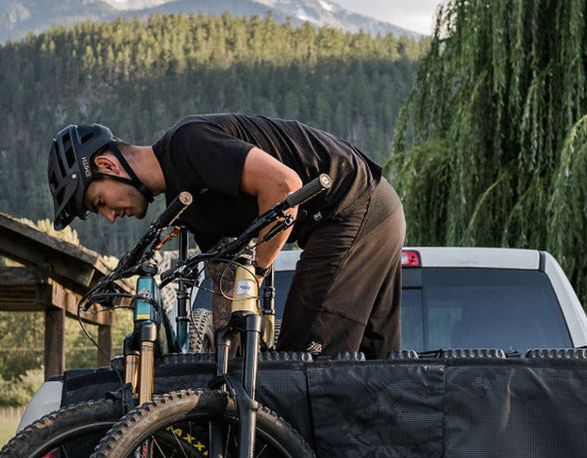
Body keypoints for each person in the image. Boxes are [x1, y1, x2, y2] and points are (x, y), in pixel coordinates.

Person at [47, 114, 405, 359]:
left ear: (108, 166)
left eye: (99, 202)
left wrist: (256, 273)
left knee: (300, 368)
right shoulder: (184, 203)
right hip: (371, 209)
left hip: (353, 207)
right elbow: (225, 274)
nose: (109, 217)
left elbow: (283, 186)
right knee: (380, 368)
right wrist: (227, 340)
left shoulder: (187, 145)